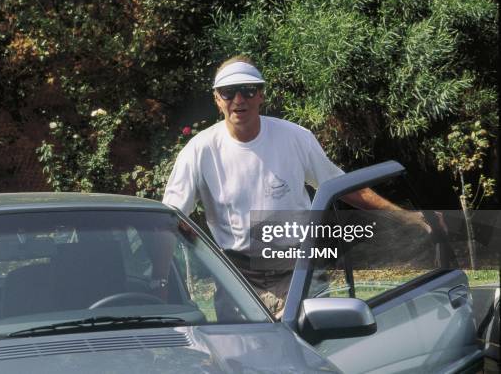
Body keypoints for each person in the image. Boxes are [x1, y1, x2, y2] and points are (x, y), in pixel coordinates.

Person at [162, 55, 433, 318]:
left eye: (247, 90)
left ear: (261, 95)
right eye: (229, 92)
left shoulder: (295, 137)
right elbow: (167, 219)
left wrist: (404, 216)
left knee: (311, 356)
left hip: (300, 271)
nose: (238, 100)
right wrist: (157, 282)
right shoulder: (199, 150)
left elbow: (344, 187)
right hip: (238, 279)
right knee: (241, 361)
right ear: (216, 98)